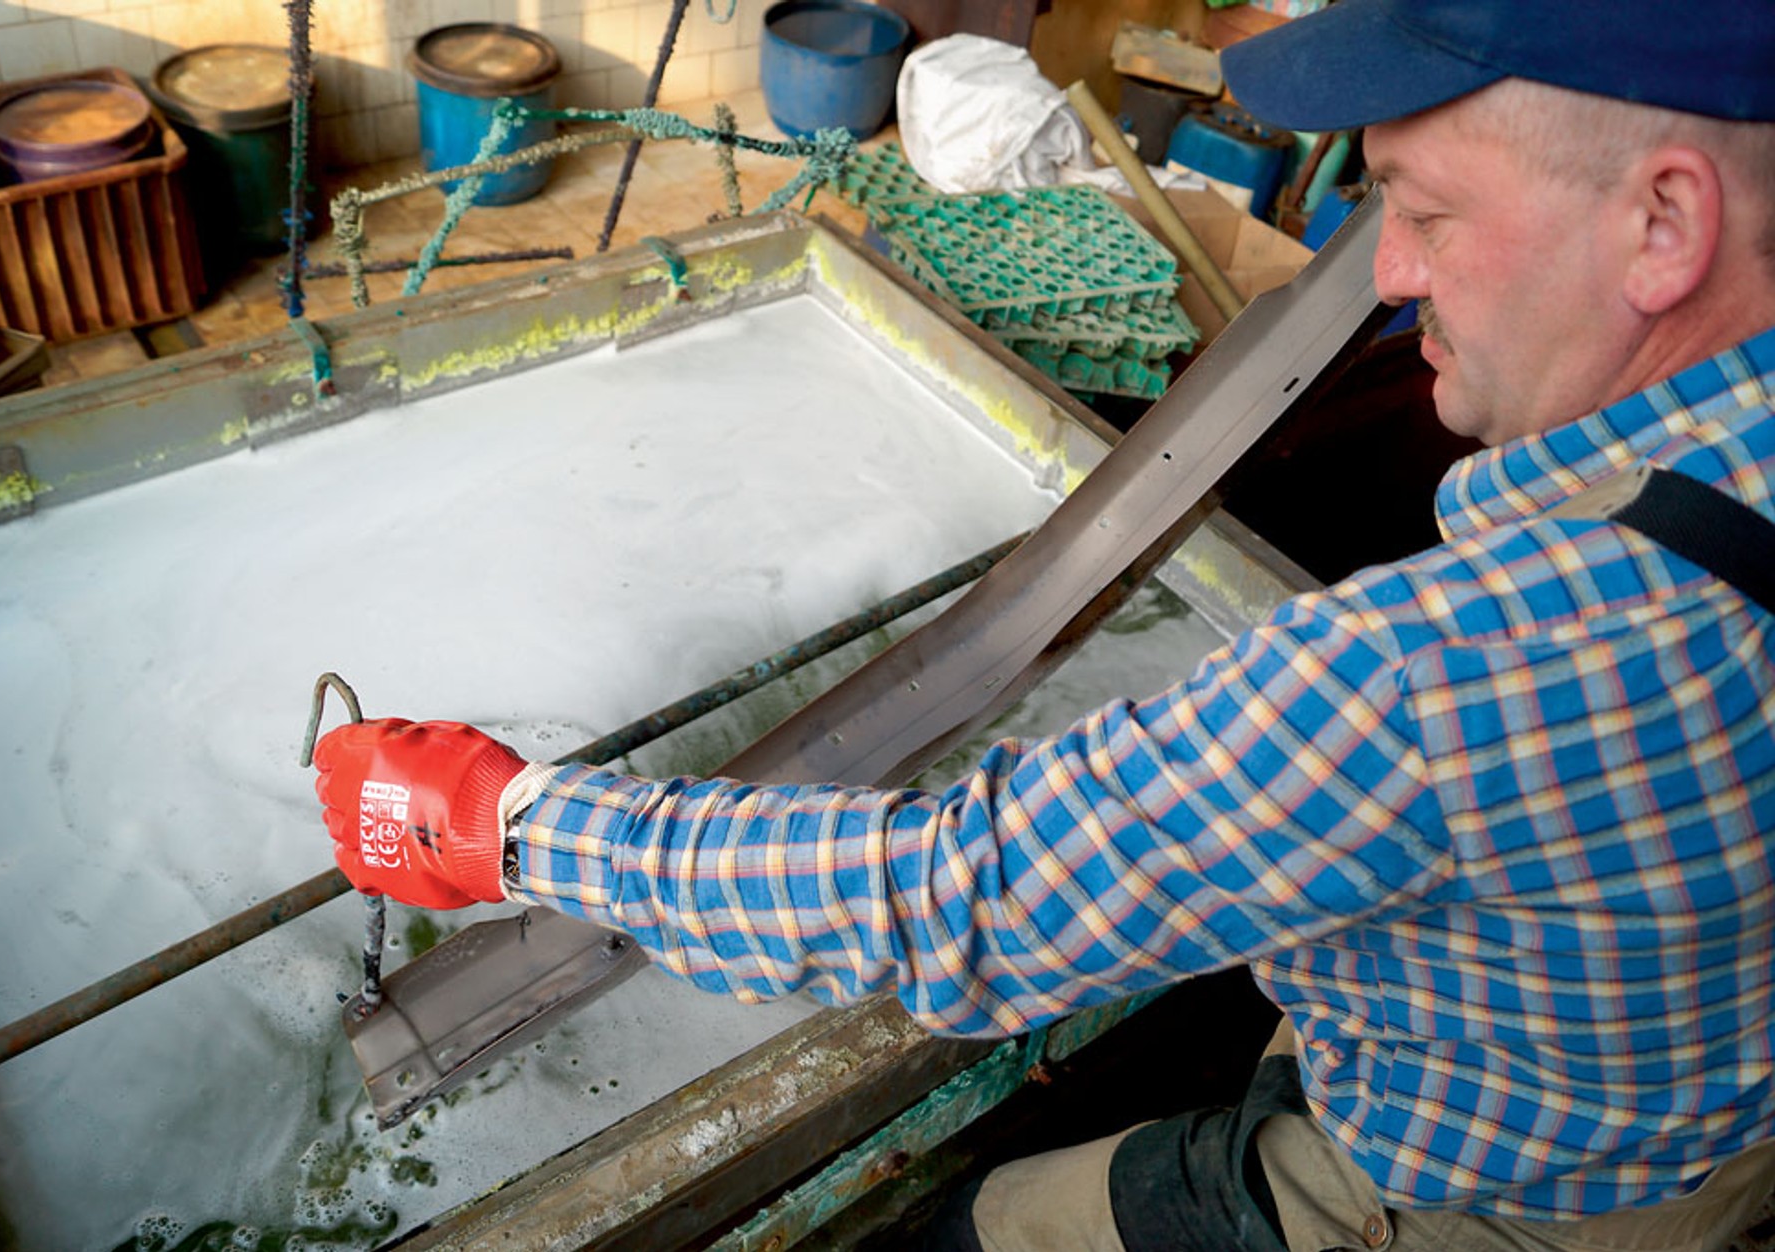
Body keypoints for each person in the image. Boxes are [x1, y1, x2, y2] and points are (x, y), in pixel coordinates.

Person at [312, 1, 1775, 1247]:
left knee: (978, 1225)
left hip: (1518, 1197)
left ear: (1664, 224)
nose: (1387, 273)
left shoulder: (1444, 672)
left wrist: (508, 827)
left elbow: (965, 893)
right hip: (1702, 1078)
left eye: (1431, 213)